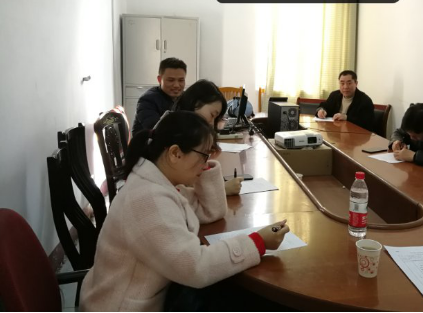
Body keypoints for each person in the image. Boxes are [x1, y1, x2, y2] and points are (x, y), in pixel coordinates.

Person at [80, 111, 289, 312]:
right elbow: (196, 267)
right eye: (204, 155)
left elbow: (209, 211)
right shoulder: (147, 198)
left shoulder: (161, 183)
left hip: (156, 296)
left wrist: (203, 166)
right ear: (175, 153)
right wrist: (257, 242)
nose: (206, 161)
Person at [173, 80, 243, 196]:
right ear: (195, 103)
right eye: (212, 115)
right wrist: (223, 190)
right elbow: (183, 193)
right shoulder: (177, 136)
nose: (211, 123)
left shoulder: (185, 129)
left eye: (216, 118)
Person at [131, 58, 187, 137]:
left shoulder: (185, 97)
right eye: (171, 80)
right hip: (149, 143)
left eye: (181, 80)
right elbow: (158, 131)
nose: (176, 85)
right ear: (160, 79)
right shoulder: (147, 100)